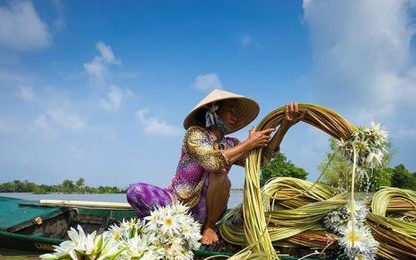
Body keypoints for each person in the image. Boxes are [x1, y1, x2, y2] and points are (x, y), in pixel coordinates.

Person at [127, 89, 305, 245]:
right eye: (230, 111)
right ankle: (161, 231)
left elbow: (262, 160)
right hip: (175, 205)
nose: (234, 116)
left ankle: (209, 229)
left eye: (236, 112)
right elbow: (211, 161)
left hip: (203, 215)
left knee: (220, 175)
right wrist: (249, 143)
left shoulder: (231, 144)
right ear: (213, 109)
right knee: (135, 191)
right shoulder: (195, 134)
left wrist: (284, 126)